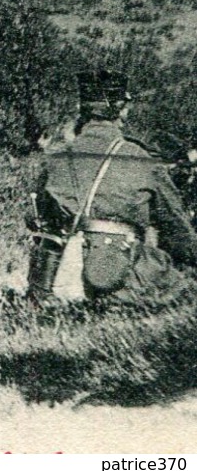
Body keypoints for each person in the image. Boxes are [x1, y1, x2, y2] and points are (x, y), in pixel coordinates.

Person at [27, 70, 197, 308]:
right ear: (123, 109)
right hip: (116, 283)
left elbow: (36, 220)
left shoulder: (55, 158)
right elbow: (178, 232)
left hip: (54, 284)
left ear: (81, 108)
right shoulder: (141, 158)